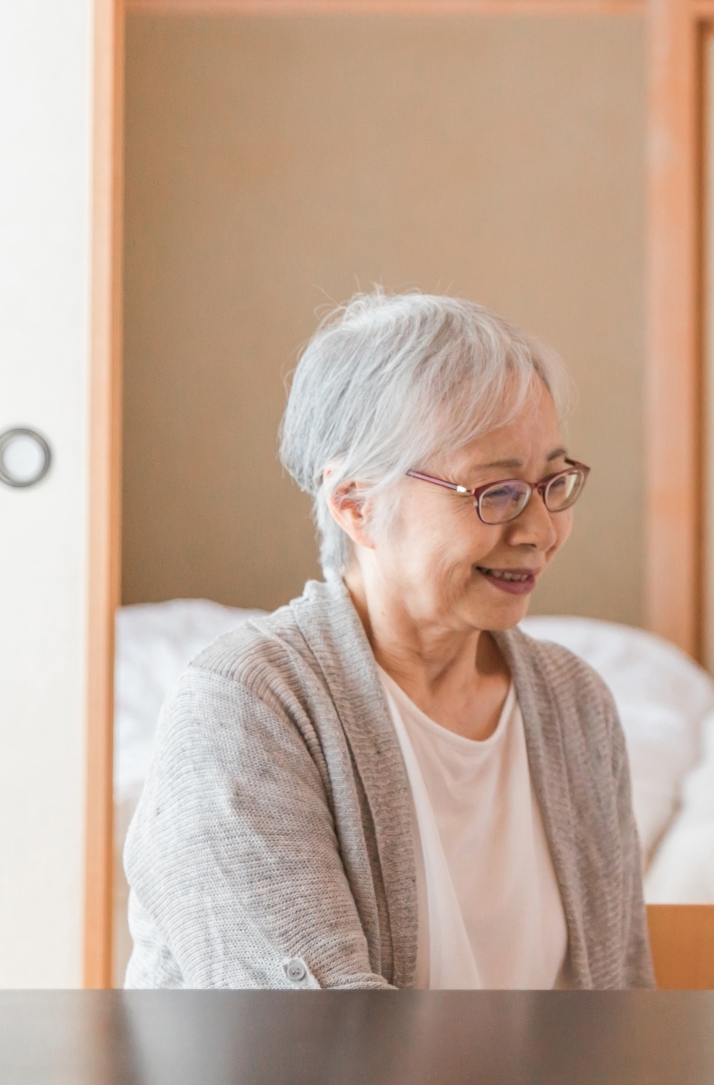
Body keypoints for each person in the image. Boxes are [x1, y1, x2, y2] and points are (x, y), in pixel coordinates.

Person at [123, 292, 652, 989]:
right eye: (496, 492)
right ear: (356, 504)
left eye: (553, 482)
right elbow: (305, 1046)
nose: (540, 530)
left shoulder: (574, 703)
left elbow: (620, 1008)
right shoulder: (246, 709)